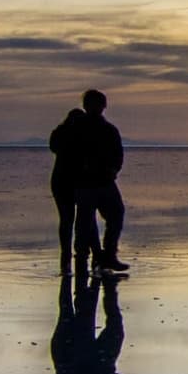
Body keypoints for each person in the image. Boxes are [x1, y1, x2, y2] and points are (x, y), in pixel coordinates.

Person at [68, 88, 128, 273]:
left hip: (105, 182)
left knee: (116, 215)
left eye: (99, 104)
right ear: (86, 106)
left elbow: (118, 155)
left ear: (103, 106)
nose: (96, 107)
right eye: (92, 104)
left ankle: (109, 256)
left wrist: (113, 170)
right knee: (85, 221)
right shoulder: (76, 128)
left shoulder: (109, 130)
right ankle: (82, 258)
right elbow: (65, 152)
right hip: (84, 183)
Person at [47, 106, 87, 271]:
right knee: (73, 219)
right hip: (68, 181)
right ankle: (72, 253)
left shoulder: (60, 133)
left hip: (66, 181)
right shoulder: (75, 136)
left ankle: (71, 254)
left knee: (70, 219)